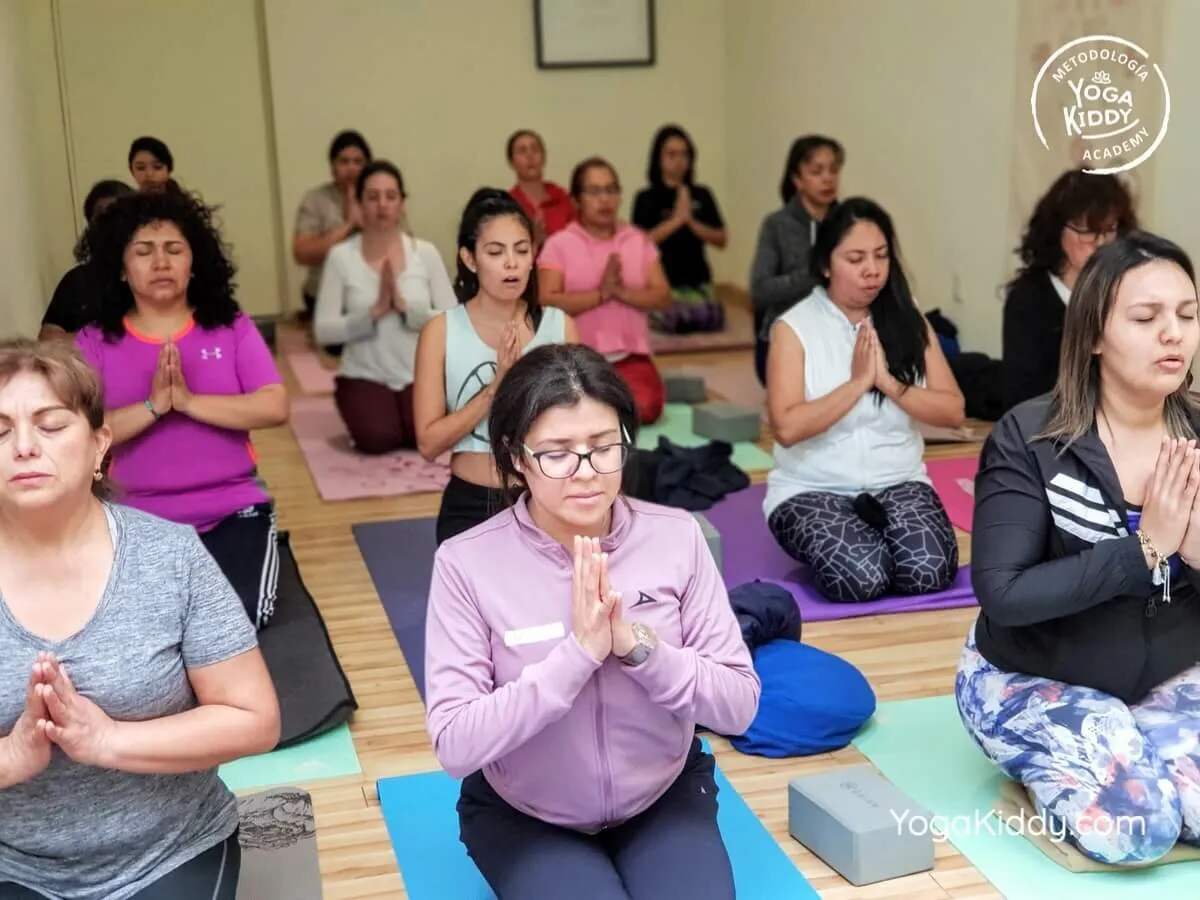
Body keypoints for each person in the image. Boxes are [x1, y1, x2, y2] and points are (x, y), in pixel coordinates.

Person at [424, 342, 760, 899]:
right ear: (515, 457)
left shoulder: (676, 537)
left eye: (603, 447)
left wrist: (639, 648)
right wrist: (576, 657)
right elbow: (456, 744)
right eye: (556, 453)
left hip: (661, 798)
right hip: (527, 816)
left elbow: (739, 705)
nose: (586, 472)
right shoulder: (465, 563)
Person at [0, 338, 280, 900]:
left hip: (169, 849)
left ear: (99, 445)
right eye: (0, 431)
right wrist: (9, 758)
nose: (25, 447)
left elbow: (254, 719)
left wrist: (108, 741)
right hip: (14, 864)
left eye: (50, 425)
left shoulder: (170, 556)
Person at [958, 230, 1200, 866]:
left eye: (1187, 314)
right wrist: (1145, 548)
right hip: (1036, 676)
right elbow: (1004, 593)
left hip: (1169, 674)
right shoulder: (1031, 436)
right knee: (1139, 829)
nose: (1173, 333)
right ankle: (1080, 761)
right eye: (1146, 318)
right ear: (1093, 334)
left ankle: (1140, 745)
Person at [76, 188, 289, 630]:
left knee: (238, 620)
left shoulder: (230, 325)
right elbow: (82, 433)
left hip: (234, 508)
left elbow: (274, 405)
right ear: (121, 267)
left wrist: (189, 403)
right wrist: (155, 406)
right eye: (144, 251)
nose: (161, 262)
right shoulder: (94, 340)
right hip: (136, 515)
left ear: (194, 264)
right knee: (145, 626)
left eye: (174, 249)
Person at [763, 197, 964, 603]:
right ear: (826, 264)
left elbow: (953, 410)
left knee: (930, 571)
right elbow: (786, 427)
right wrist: (857, 384)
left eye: (881, 256)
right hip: (811, 488)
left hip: (899, 480)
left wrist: (888, 384)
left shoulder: (907, 318)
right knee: (862, 577)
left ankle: (873, 534)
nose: (872, 269)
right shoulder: (793, 328)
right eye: (855, 258)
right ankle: (860, 539)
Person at [414, 189, 577, 545]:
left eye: (521, 250)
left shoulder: (560, 327)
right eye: (495, 252)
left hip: (545, 502)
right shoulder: (440, 331)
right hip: (472, 504)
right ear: (469, 259)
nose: (511, 263)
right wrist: (497, 387)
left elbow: (579, 426)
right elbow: (428, 443)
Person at [314, 160, 457, 454]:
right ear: (358, 203)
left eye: (391, 196)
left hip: (419, 375)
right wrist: (373, 313)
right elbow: (324, 330)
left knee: (423, 436)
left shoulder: (425, 253)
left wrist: (408, 311)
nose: (382, 205)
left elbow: (455, 322)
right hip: (364, 374)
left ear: (402, 202)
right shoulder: (341, 257)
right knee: (377, 438)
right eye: (373, 196)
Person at [538, 158, 671, 426]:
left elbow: (663, 296)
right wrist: (600, 294)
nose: (605, 199)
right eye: (595, 191)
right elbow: (547, 300)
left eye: (611, 190)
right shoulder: (559, 244)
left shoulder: (637, 239)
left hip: (630, 357)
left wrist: (619, 292)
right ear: (576, 200)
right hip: (576, 361)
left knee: (646, 407)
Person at [1001, 168, 1138, 413]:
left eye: (1109, 231)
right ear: (1057, 231)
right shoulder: (1028, 299)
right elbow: (1023, 394)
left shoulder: (1127, 293)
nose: (1100, 243)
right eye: (1087, 231)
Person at [750, 135, 845, 385]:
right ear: (797, 179)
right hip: (785, 340)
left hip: (839, 338)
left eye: (833, 170)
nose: (828, 178)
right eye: (816, 171)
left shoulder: (849, 224)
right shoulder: (776, 225)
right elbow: (759, 291)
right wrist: (815, 273)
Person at [632, 124, 727, 335]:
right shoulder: (645, 198)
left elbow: (721, 239)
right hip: (663, 284)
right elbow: (638, 245)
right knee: (676, 319)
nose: (679, 161)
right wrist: (675, 221)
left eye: (684, 154)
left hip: (698, 283)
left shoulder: (702, 194)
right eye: (672, 154)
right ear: (658, 158)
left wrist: (691, 222)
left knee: (711, 317)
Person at [292, 129, 373, 348]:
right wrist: (348, 226)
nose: (351, 168)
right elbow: (301, 253)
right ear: (332, 166)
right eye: (344, 161)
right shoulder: (315, 200)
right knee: (342, 346)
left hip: (372, 294)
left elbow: (405, 248)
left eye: (358, 162)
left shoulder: (381, 198)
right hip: (325, 293)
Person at [39, 179, 136, 342]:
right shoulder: (77, 280)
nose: (110, 224)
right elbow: (48, 337)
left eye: (118, 214)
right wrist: (98, 345)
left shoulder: (154, 274)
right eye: (101, 215)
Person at [506, 129, 574, 250]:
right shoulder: (507, 205)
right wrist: (535, 242)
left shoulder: (563, 199)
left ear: (544, 157)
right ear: (512, 162)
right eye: (522, 151)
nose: (530, 156)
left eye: (535, 149)